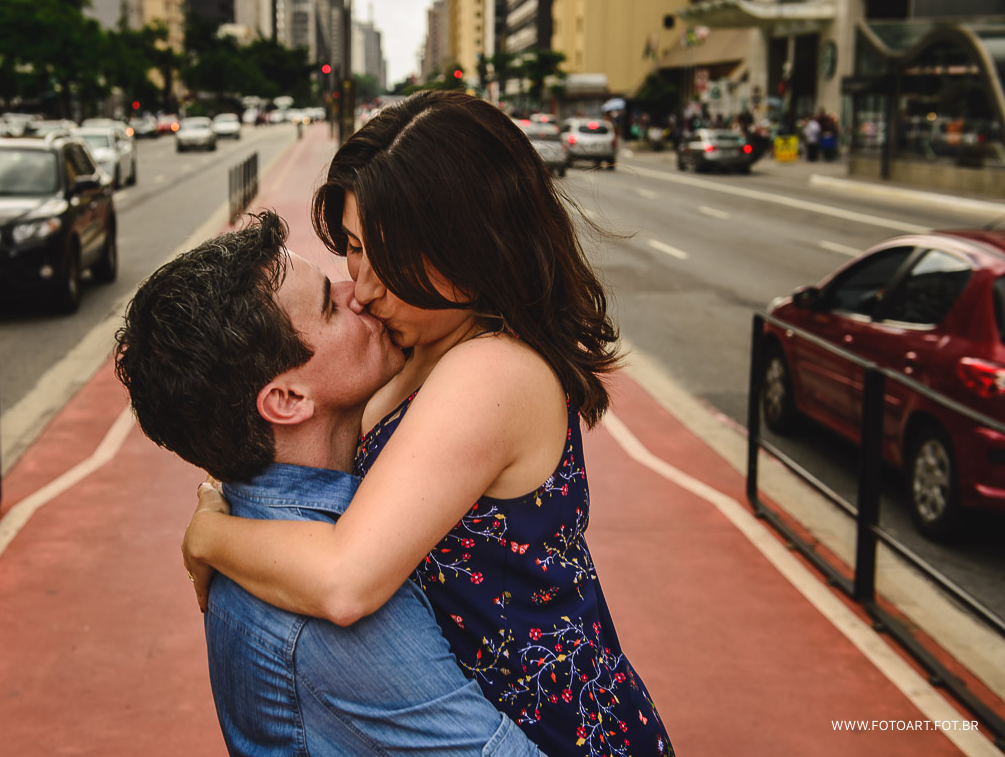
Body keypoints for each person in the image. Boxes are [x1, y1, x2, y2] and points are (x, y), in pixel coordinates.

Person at [183, 91, 675, 757]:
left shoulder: (492, 370)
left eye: (394, 257)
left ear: (474, 247)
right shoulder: (417, 343)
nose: (362, 285)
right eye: (354, 248)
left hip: (559, 735)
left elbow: (345, 580)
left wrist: (211, 535)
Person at [115, 213, 545, 757]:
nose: (359, 294)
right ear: (288, 400)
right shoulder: (324, 614)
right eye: (328, 304)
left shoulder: (258, 523)